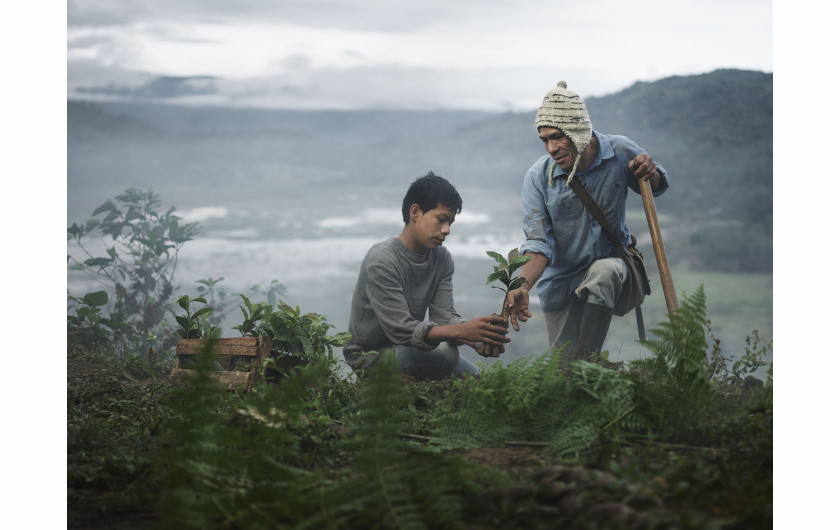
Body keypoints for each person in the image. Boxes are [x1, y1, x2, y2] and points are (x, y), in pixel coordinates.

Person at [502, 81, 670, 362]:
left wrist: (648, 170)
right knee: (562, 370)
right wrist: (521, 285)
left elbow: (657, 184)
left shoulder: (618, 152)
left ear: (578, 130)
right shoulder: (537, 178)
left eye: (557, 136)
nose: (551, 148)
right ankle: (579, 371)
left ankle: (588, 363)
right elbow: (538, 244)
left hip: (609, 268)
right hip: (561, 284)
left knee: (603, 273)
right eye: (544, 140)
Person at [343, 172, 510, 380]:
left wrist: (477, 338)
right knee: (444, 353)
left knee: (478, 380)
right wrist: (463, 331)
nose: (447, 230)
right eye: (441, 220)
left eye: (450, 223)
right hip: (371, 357)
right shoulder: (383, 259)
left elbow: (443, 317)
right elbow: (401, 329)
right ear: (415, 212)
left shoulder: (442, 259)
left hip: (409, 348)